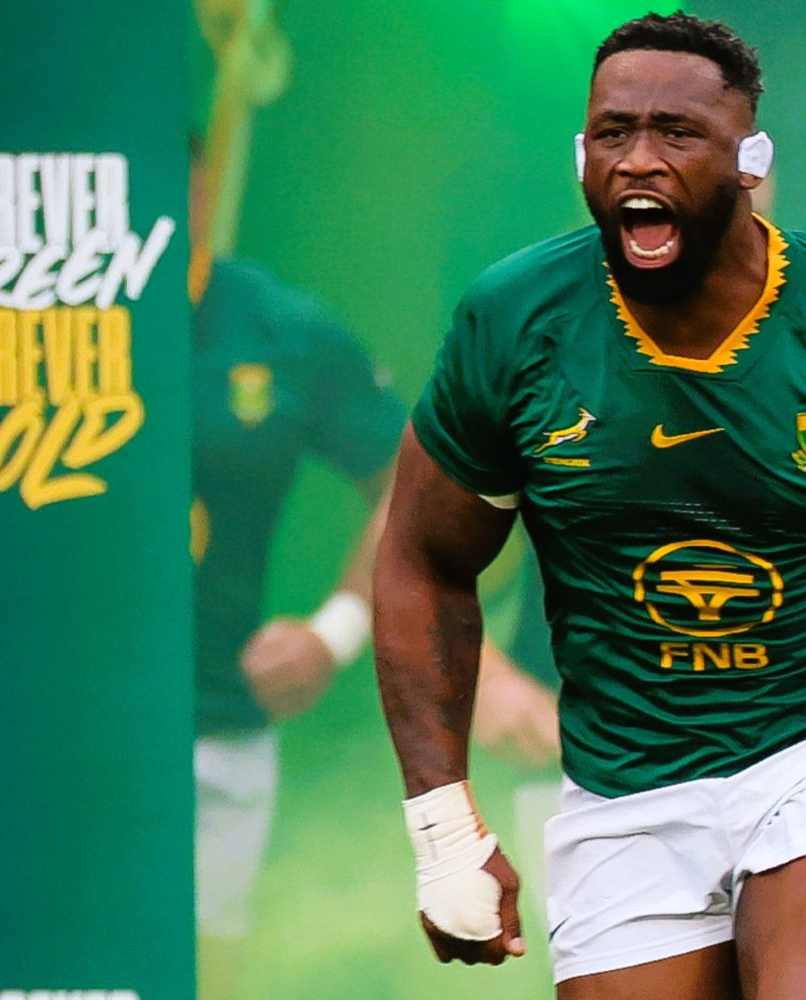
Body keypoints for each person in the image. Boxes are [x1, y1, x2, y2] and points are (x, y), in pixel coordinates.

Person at [373, 13, 806, 999]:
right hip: (626, 777)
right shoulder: (513, 324)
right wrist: (443, 830)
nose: (638, 160)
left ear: (750, 162)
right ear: (580, 154)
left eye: (676, 133)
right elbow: (422, 559)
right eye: (612, 133)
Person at [185, 147, 558, 999]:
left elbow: (422, 487)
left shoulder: (278, 328)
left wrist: (335, 632)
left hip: (219, 721)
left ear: (206, 182)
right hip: (39, 721)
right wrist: (486, 673)